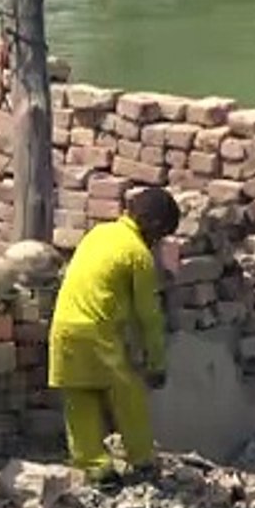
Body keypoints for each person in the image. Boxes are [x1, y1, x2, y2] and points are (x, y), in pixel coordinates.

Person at [48, 188, 180, 487]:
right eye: (161, 236)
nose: (158, 243)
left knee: (79, 399)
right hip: (96, 331)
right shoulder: (138, 254)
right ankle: (143, 460)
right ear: (154, 226)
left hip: (64, 327)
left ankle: (96, 469)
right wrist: (157, 363)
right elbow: (149, 317)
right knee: (128, 394)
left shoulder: (99, 233)